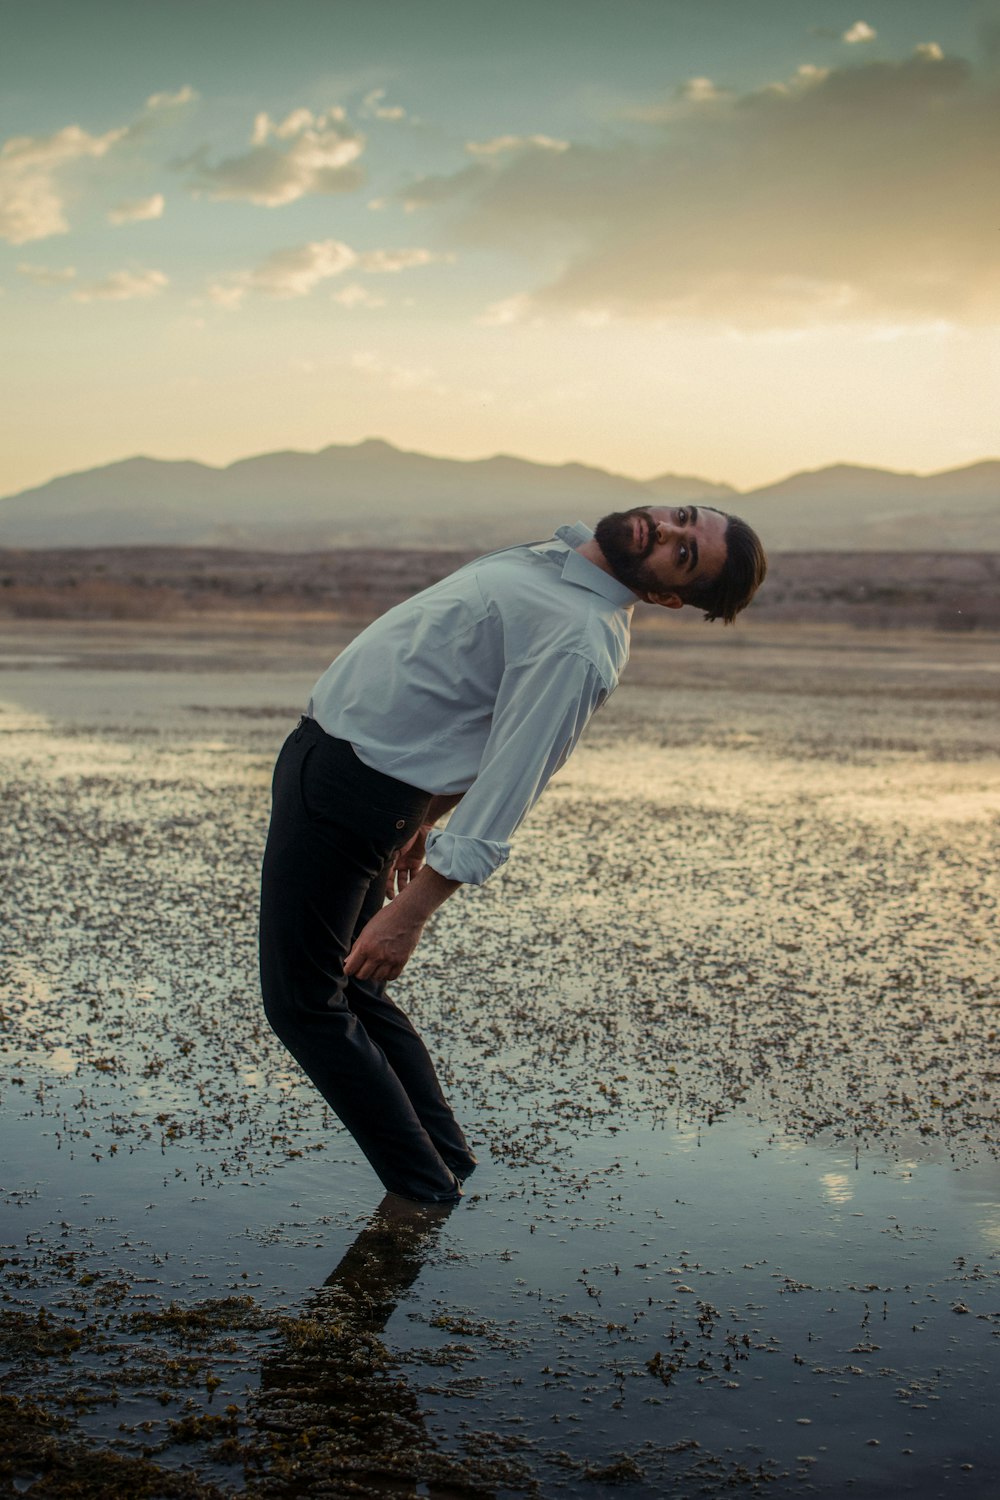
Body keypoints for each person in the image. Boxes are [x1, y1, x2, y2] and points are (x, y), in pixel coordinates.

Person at [259, 504, 767, 1204]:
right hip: (361, 782)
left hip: (353, 789)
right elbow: (468, 707)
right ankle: (444, 1161)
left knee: (303, 1005)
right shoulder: (555, 566)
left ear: (666, 596)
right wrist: (429, 812)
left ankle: (421, 1191)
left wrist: (412, 912)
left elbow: (513, 778)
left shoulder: (579, 638)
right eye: (683, 520)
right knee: (351, 988)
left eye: (684, 553)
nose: (668, 531)